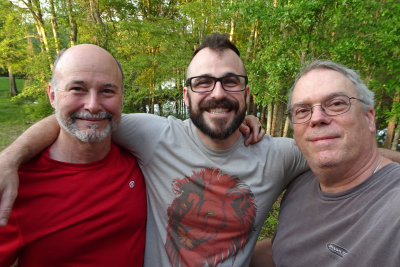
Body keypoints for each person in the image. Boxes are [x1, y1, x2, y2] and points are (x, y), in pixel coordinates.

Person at [0, 33, 309, 266]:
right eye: (203, 83)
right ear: (185, 96)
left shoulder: (279, 155)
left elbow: (337, 155)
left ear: (246, 94)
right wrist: (10, 157)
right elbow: (80, 119)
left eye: (230, 82)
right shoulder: (154, 135)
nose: (217, 93)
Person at [0, 44, 147, 266]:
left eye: (107, 91)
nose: (93, 105)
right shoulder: (16, 186)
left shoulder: (144, 155)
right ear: (52, 95)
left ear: (122, 97)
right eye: (77, 89)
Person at [253, 60, 400, 267]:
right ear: (295, 133)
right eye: (302, 111)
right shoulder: (300, 185)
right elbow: (283, 250)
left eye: (336, 103)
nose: (317, 118)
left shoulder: (393, 208)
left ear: (369, 118)